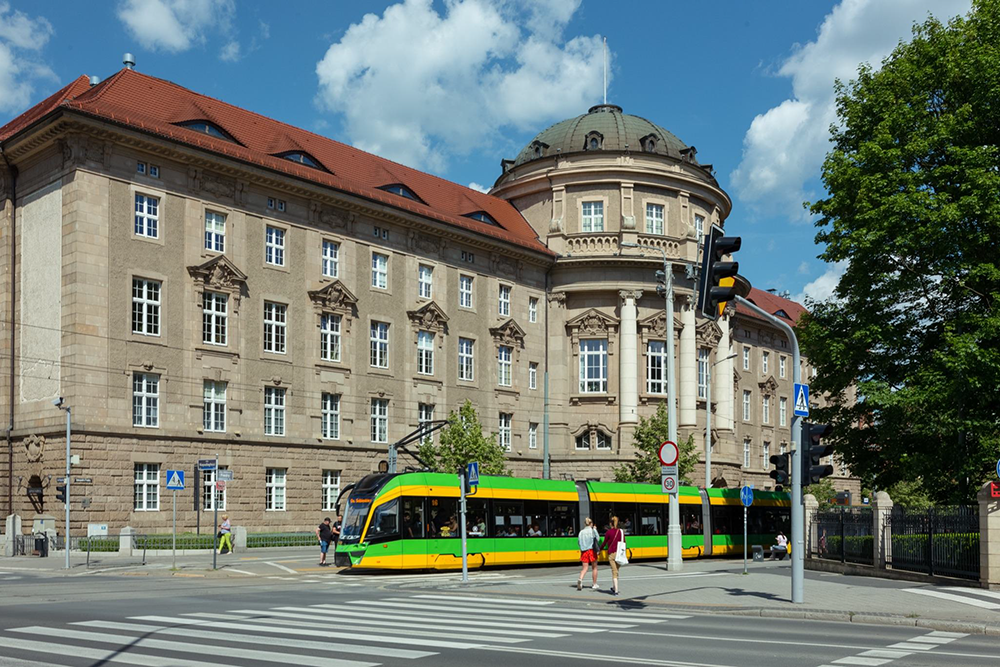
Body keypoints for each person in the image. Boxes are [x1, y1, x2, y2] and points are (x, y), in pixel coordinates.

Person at [602, 515, 625, 596]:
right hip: (619, 554)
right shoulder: (621, 532)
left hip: (612, 554)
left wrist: (600, 550)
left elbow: (604, 542)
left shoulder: (608, 532)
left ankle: (616, 590)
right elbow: (624, 542)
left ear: (610, 524)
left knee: (614, 572)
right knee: (616, 571)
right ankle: (614, 587)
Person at [577, 517, 600, 591]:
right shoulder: (593, 531)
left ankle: (580, 579)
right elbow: (598, 539)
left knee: (585, 568)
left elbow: (579, 543)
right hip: (592, 551)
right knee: (594, 567)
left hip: (584, 551)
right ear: (591, 524)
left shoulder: (581, 532)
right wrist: (595, 529)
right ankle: (594, 584)